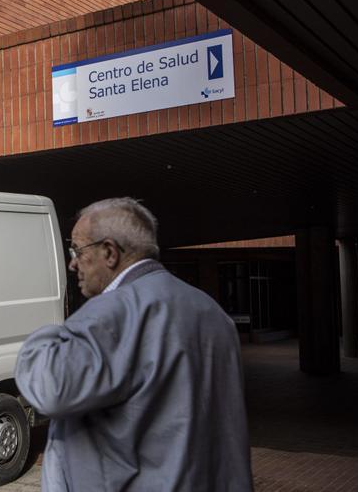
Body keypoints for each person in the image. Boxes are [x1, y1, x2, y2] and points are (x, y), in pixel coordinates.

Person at [15, 197, 252, 491]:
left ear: (110, 252)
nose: (73, 263)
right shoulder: (213, 313)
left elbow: (49, 388)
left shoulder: (111, 312)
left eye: (77, 250)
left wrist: (43, 335)